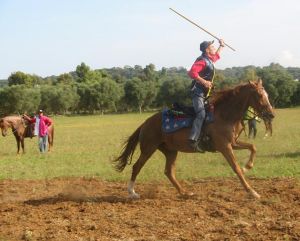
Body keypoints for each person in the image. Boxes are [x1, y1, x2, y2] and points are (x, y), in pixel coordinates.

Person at [188, 39, 225, 151]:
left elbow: (216, 56)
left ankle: (207, 138)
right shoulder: (202, 61)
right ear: (207, 50)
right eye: (212, 47)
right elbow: (192, 73)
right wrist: (204, 82)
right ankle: (193, 140)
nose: (214, 49)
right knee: (201, 114)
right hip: (197, 93)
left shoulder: (209, 59)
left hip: (205, 94)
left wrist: (221, 46)